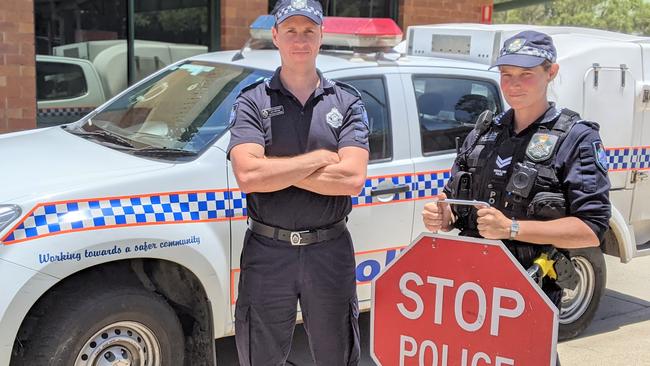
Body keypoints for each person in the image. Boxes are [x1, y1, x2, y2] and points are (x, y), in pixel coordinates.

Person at [422, 30, 611, 365]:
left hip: (530, 293)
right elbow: (453, 199)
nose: (514, 85)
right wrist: (444, 216)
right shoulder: (483, 132)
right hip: (469, 291)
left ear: (550, 73)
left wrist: (512, 229)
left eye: (526, 74)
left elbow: (591, 228)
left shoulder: (576, 139)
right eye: (506, 75)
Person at [227, 0, 370, 365]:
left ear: (322, 36)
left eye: (309, 31)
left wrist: (278, 172)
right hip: (267, 250)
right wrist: (322, 159)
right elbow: (248, 175)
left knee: (336, 353)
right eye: (291, 30)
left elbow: (352, 179)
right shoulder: (252, 101)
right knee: (260, 355)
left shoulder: (348, 102)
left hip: (329, 249)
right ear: (276, 36)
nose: (300, 40)